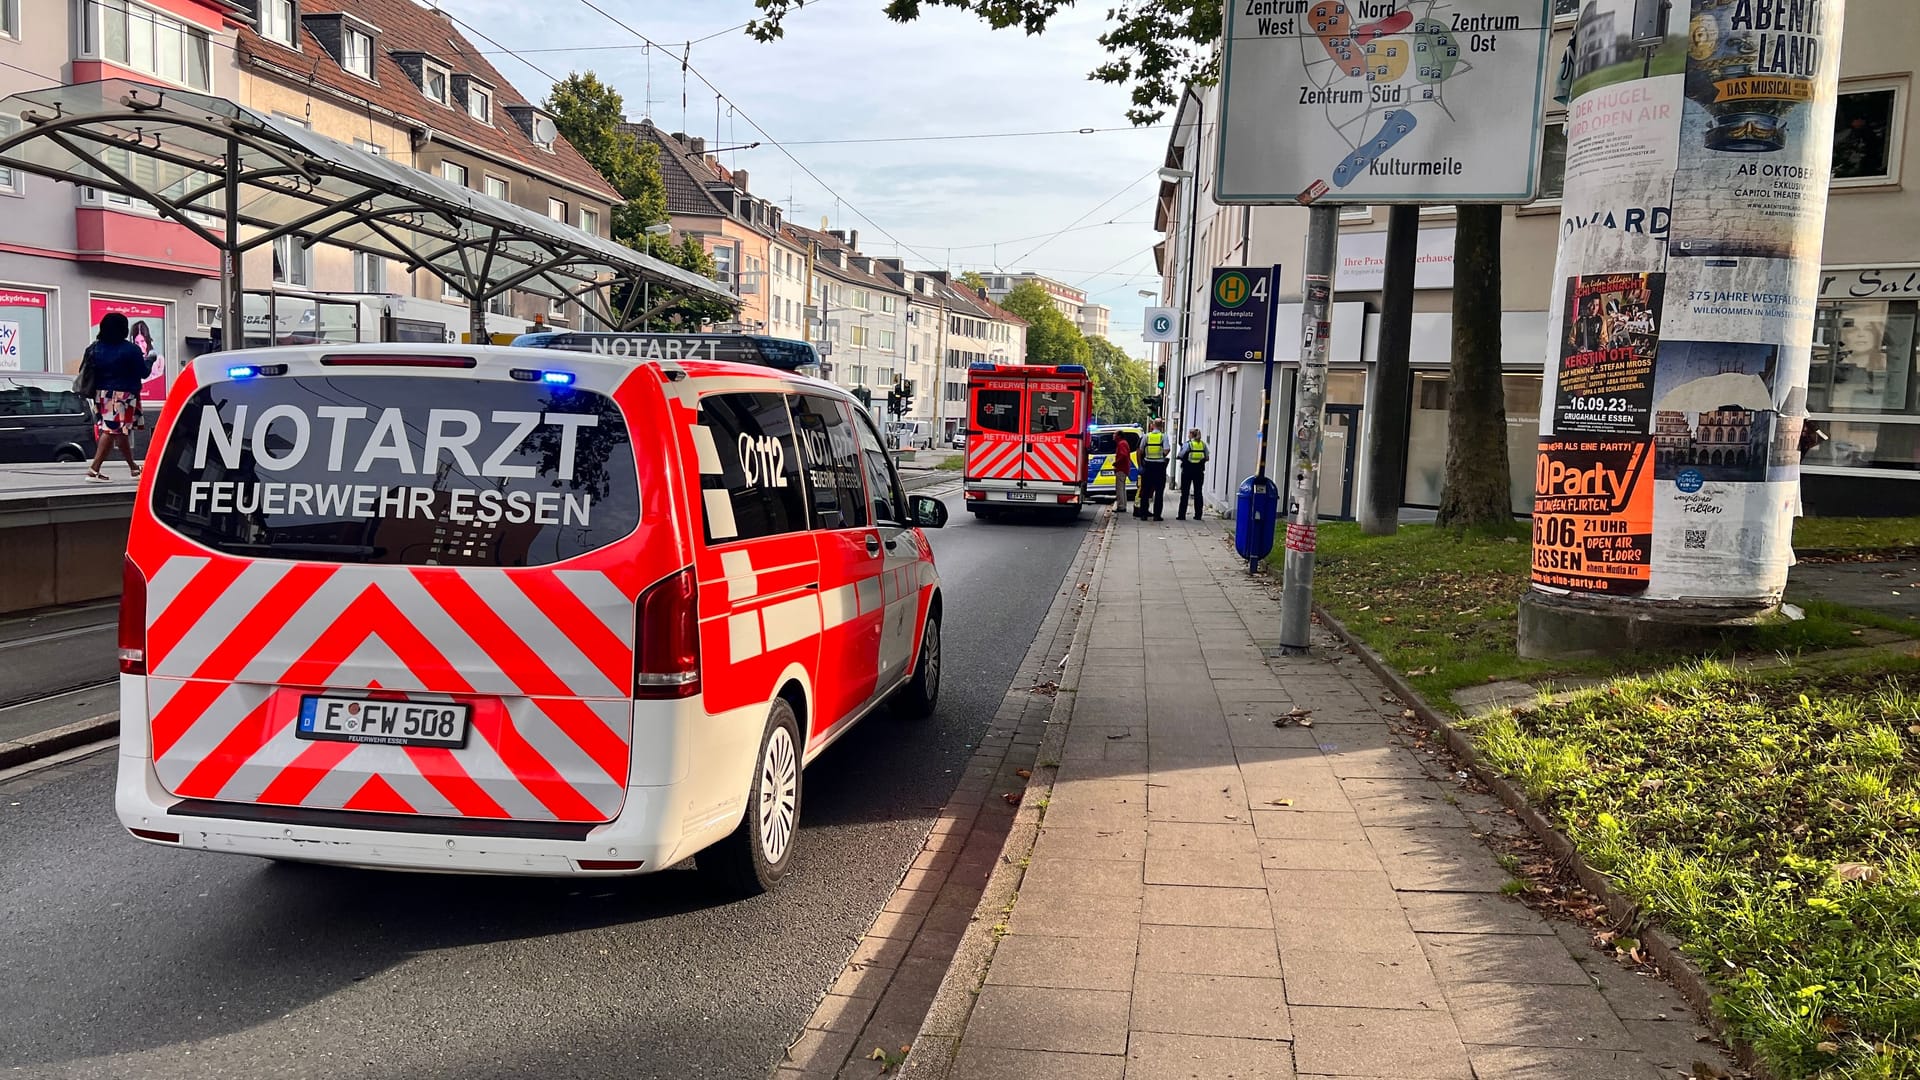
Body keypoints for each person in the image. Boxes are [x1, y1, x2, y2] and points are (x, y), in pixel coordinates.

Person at [84, 312, 147, 482]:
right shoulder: (131, 350)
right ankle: (93, 469)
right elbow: (144, 372)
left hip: (100, 395)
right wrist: (150, 360)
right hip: (123, 395)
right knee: (112, 430)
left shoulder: (95, 348)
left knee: (119, 432)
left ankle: (134, 469)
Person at [1136, 419, 1171, 521]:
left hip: (1148, 466)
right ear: (1161, 426)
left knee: (1145, 491)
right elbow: (1167, 449)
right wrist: (1162, 455)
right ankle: (1157, 516)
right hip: (1159, 467)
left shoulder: (1146, 436)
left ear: (1153, 425)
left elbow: (1140, 450)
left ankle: (1143, 514)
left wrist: (1140, 465)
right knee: (1159, 492)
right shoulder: (1163, 436)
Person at [1176, 427, 1210, 521]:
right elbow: (1207, 457)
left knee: (1185, 493)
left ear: (1191, 435)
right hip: (1199, 471)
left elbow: (1181, 455)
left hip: (1187, 470)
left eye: (1189, 434)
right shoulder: (1203, 444)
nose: (1188, 435)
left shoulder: (1188, 444)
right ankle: (1198, 515)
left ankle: (1181, 515)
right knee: (1198, 493)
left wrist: (1180, 457)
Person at [1110, 429, 1133, 517]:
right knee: (1122, 488)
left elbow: (1123, 455)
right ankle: (1122, 505)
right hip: (1123, 468)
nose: (1113, 436)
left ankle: (1121, 506)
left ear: (1119, 436)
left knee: (1119, 488)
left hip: (1121, 468)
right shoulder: (1123, 443)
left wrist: (1116, 463)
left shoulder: (1121, 443)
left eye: (1114, 434)